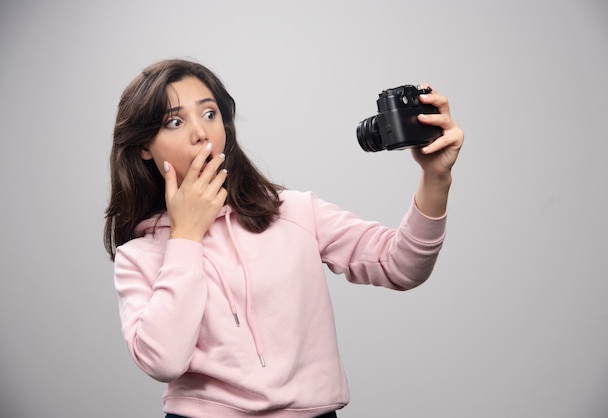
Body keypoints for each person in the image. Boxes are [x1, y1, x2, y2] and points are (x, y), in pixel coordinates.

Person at [104, 58, 464, 418]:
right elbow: (164, 361)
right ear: (144, 147)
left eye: (210, 113)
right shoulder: (138, 255)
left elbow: (402, 266)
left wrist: (436, 178)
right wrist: (185, 237)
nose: (201, 132)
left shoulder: (294, 212)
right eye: (175, 122)